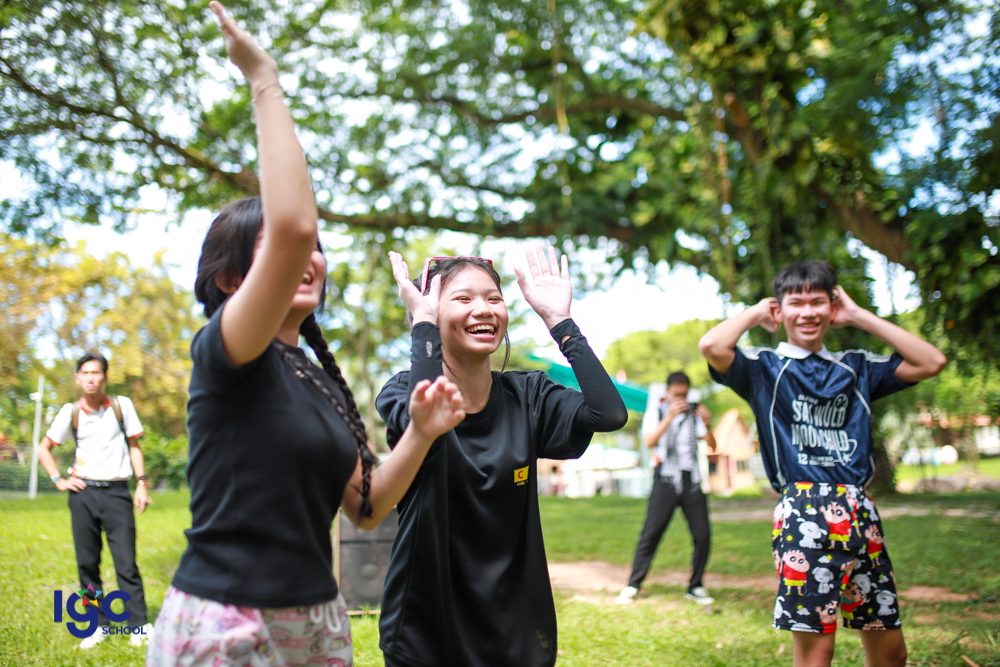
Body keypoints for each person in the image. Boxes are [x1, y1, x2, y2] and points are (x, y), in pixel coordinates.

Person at [146, 5, 466, 666]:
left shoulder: (316, 379)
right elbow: (292, 227)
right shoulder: (227, 353)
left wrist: (422, 432)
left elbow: (367, 507)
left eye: (317, 249)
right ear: (231, 278)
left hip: (318, 618)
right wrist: (263, 77)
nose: (307, 255)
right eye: (281, 250)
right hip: (228, 619)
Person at [375, 248, 629, 667]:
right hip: (426, 630)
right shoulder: (402, 392)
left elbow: (609, 414)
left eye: (494, 298)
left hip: (515, 630)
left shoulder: (528, 396)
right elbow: (427, 424)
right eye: (462, 298)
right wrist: (422, 323)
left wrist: (561, 323)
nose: (484, 309)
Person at [698, 260, 946, 667]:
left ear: (833, 307)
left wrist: (860, 316)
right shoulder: (764, 368)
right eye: (796, 303)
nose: (808, 312)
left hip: (860, 509)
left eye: (818, 302)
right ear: (780, 310)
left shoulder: (857, 367)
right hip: (804, 510)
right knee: (817, 652)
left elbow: (931, 361)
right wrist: (758, 312)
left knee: (890, 648)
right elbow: (712, 346)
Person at [38, 351, 152, 648]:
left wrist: (141, 484)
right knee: (87, 564)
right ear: (78, 378)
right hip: (83, 494)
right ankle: (97, 626)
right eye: (85, 373)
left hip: (117, 493)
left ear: (105, 377)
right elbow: (43, 448)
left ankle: (139, 625)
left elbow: (134, 445)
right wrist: (59, 480)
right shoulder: (71, 412)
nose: (91, 378)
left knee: (126, 562)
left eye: (96, 372)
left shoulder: (121, 406)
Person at [616, 370, 717, 606]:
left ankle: (696, 585)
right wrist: (670, 416)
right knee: (651, 533)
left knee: (703, 534)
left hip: (692, 481)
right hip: (665, 480)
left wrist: (708, 424)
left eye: (684, 394)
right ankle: (633, 584)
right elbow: (649, 441)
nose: (681, 399)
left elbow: (713, 445)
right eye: (677, 394)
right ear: (668, 392)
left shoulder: (695, 414)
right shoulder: (657, 412)